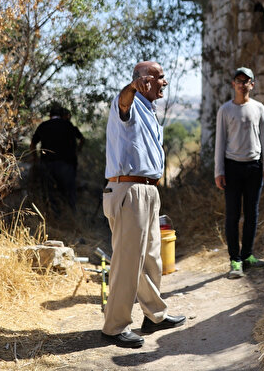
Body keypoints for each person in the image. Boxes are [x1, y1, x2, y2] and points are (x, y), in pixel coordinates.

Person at [101, 61, 186, 348]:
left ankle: (154, 316)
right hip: (129, 189)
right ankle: (114, 327)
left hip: (147, 191)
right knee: (127, 262)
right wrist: (132, 88)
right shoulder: (128, 102)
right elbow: (124, 101)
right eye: (160, 78)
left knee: (151, 259)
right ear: (145, 80)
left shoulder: (149, 111)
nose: (164, 83)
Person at [214, 67, 264, 278]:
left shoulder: (259, 108)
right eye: (238, 80)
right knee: (232, 215)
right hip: (232, 167)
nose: (242, 84)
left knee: (252, 213)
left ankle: (248, 256)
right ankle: (235, 260)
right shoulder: (225, 110)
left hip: (254, 167)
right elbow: (220, 142)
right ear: (233, 84)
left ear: (252, 84)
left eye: (246, 81)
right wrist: (219, 171)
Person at [30, 104, 84, 212]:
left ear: (50, 115)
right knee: (69, 193)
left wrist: (36, 159)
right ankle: (71, 218)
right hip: (67, 165)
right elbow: (82, 139)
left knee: (49, 193)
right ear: (62, 115)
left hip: (47, 164)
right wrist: (77, 151)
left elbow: (32, 144)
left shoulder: (43, 125)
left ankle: (52, 217)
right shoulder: (69, 125)